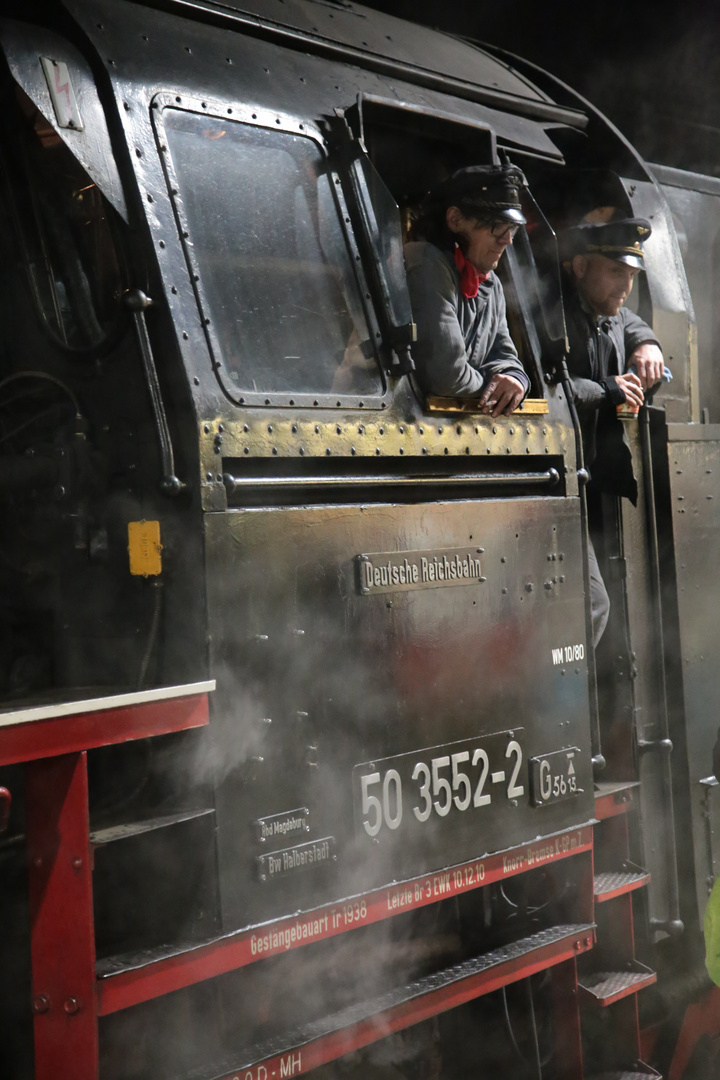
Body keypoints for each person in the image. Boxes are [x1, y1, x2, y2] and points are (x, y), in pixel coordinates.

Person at [562, 213, 665, 645]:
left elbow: (629, 320)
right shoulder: (552, 314)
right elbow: (548, 390)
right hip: (561, 475)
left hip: (596, 474)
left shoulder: (613, 310)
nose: (625, 286)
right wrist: (606, 388)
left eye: (632, 275)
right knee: (591, 604)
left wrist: (648, 343)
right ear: (581, 266)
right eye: (615, 272)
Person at [404, 165, 531, 416]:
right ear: (455, 219)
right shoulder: (426, 262)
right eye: (496, 226)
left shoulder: (490, 282)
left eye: (512, 228)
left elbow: (504, 356)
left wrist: (516, 380)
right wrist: (493, 386)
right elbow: (447, 377)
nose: (508, 240)